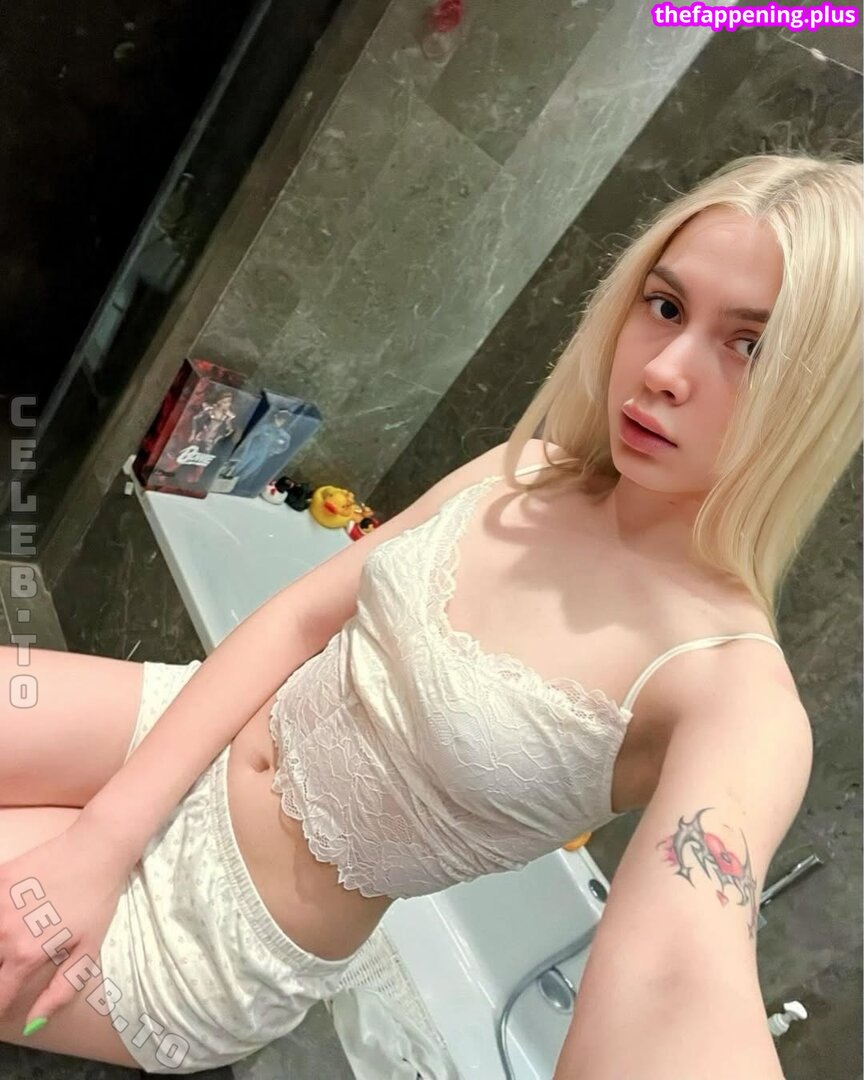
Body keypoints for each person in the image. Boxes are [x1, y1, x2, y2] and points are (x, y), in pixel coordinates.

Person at [0, 151, 859, 1077]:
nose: (663, 371)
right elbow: (301, 622)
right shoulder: (528, 473)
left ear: (822, 394)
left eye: (750, 345)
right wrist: (103, 836)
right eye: (666, 306)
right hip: (180, 737)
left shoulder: (734, 694)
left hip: (213, 941)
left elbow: (677, 972)